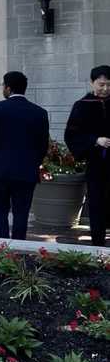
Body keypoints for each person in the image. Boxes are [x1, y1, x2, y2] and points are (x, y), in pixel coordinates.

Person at [0, 72, 49, 240]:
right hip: (27, 171)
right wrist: (34, 163)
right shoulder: (39, 112)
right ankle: (19, 249)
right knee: (21, 214)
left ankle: (1, 249)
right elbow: (43, 145)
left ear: (8, 88)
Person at [64, 65, 110, 247]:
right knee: (97, 202)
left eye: (108, 84)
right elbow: (72, 135)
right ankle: (98, 243)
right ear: (92, 83)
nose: (105, 89)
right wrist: (95, 140)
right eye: (101, 84)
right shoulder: (82, 106)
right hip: (97, 163)